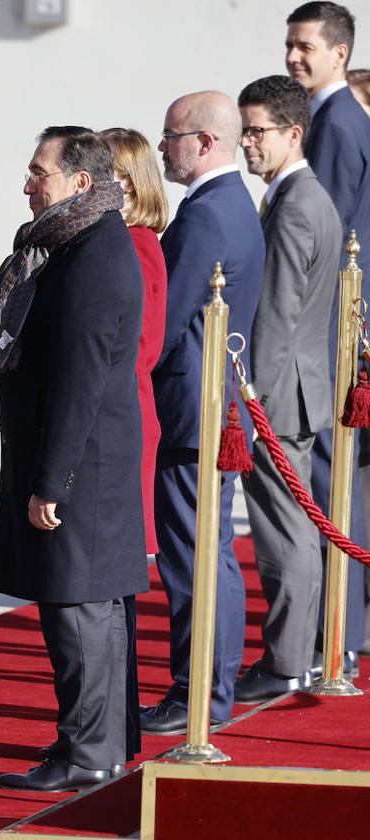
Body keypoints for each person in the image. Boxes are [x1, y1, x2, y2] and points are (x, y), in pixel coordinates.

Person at [0, 127, 147, 793]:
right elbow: (32, 313)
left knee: (79, 609)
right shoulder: (73, 244)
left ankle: (91, 753)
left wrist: (50, 482)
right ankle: (97, 741)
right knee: (84, 606)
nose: (28, 183)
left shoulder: (93, 257)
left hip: (83, 467)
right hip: (83, 461)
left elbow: (80, 380)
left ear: (80, 183)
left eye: (39, 172)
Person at [141, 91, 265, 735]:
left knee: (194, 560)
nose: (162, 146)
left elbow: (162, 321)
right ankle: (207, 686)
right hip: (210, 411)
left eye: (170, 135)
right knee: (206, 554)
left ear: (205, 142)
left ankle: (199, 693)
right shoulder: (225, 204)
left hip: (192, 414)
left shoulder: (209, 215)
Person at [235, 76, 342, 703]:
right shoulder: (297, 195)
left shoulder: (298, 202)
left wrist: (253, 405)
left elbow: (275, 315)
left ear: (292, 134)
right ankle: (293, 655)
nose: (248, 142)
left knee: (283, 532)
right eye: (244, 130)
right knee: (290, 527)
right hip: (294, 388)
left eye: (258, 131)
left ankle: (285, 661)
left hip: (280, 395)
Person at [285, 1, 370, 676]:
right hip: (345, 325)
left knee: (329, 479)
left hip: (336, 331)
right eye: (288, 46)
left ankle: (332, 630)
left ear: (339, 52)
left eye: (304, 46)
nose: (292, 57)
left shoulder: (336, 122)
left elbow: (333, 239)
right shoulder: (338, 117)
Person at [100, 127, 169, 763]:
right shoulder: (116, 242)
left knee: (115, 589)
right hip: (118, 420)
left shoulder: (137, 246)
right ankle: (112, 725)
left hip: (123, 425)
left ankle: (114, 730)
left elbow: (138, 350)